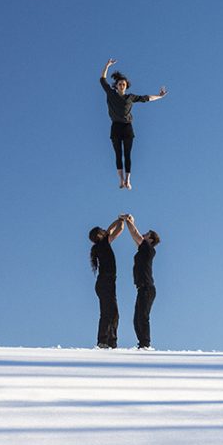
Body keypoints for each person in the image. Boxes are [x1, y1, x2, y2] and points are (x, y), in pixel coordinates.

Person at [99, 59, 168, 189]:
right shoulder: (111, 93)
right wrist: (107, 65)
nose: (121, 86)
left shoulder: (130, 97)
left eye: (124, 84)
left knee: (127, 154)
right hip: (115, 127)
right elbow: (102, 79)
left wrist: (160, 96)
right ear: (116, 85)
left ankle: (128, 180)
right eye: (119, 84)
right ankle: (121, 180)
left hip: (127, 127)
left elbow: (146, 98)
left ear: (126, 86)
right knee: (118, 154)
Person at [123, 214, 160, 350]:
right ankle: (142, 344)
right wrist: (131, 222)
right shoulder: (144, 249)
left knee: (142, 317)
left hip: (147, 288)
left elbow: (135, 233)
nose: (144, 234)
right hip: (142, 288)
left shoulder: (149, 249)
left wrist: (128, 220)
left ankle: (146, 344)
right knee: (136, 319)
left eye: (147, 234)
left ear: (150, 239)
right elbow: (135, 237)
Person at [88, 216, 125, 348]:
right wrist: (122, 220)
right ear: (99, 235)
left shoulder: (101, 244)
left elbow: (110, 229)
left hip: (105, 283)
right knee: (109, 313)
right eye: (102, 230)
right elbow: (119, 228)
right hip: (106, 283)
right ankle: (105, 341)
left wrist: (119, 219)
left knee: (111, 312)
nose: (105, 230)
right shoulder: (104, 243)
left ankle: (109, 341)